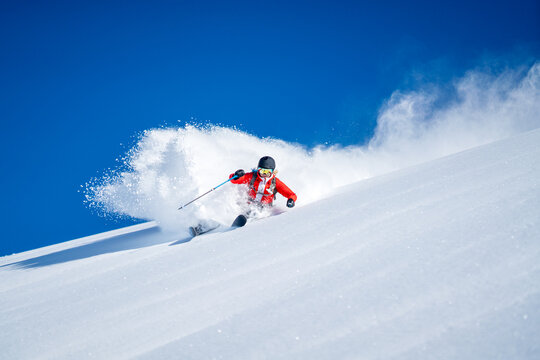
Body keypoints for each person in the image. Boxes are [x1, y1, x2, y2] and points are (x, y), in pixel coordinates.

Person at [229, 156, 297, 227]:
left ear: (272, 171)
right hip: (249, 204)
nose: (264, 174)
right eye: (262, 171)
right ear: (258, 169)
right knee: (247, 211)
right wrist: (236, 176)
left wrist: (291, 200)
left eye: (267, 172)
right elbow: (234, 180)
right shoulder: (252, 176)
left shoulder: (275, 182)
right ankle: (233, 225)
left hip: (265, 208)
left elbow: (291, 194)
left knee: (256, 213)